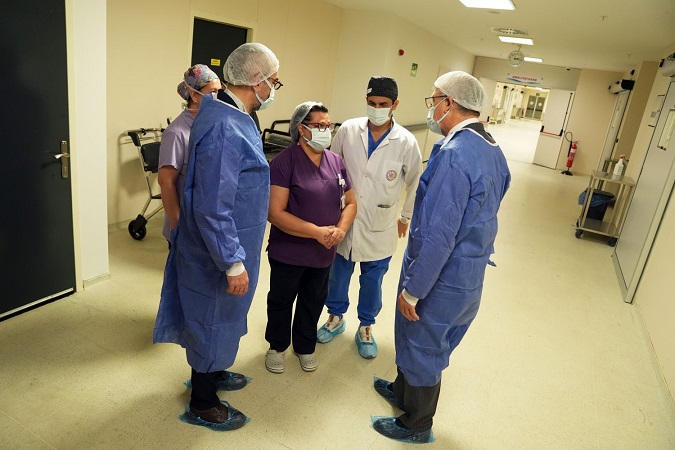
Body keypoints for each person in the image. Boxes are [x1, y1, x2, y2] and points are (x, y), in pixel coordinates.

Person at [371, 71, 511, 443]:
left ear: (449, 102)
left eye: (433, 100)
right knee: (417, 337)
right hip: (467, 271)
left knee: (424, 343)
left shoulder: (455, 155)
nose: (431, 108)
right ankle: (402, 392)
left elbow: (439, 235)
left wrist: (414, 290)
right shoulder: (490, 149)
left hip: (441, 275)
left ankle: (417, 424)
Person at [153, 43, 281, 431]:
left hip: (227, 241)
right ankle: (203, 401)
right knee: (211, 319)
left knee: (222, 318)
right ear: (257, 80)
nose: (274, 89)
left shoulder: (231, 114)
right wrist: (233, 262)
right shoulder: (226, 126)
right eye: (274, 81)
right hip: (218, 249)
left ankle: (214, 371)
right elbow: (212, 206)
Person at [317, 76, 422, 359]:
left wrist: (405, 217)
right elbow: (329, 169)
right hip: (344, 219)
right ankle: (335, 317)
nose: (376, 109)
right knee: (338, 275)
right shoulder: (348, 130)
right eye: (372, 103)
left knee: (373, 281)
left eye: (383, 104)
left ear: (395, 105)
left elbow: (415, 182)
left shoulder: (406, 141)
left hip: (381, 222)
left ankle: (366, 326)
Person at [264, 102, 357, 374]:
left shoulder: (336, 162)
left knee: (313, 300)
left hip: (323, 251)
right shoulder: (284, 162)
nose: (326, 130)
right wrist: (317, 232)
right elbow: (275, 213)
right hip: (289, 250)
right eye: (319, 125)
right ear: (301, 129)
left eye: (328, 125)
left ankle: (305, 346)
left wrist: (340, 229)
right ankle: (277, 346)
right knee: (281, 300)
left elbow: (351, 203)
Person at [158, 64, 221, 243]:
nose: (218, 97)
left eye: (219, 91)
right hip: (185, 224)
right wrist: (177, 226)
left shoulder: (211, 124)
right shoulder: (176, 133)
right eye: (213, 92)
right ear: (194, 95)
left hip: (206, 220)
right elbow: (166, 182)